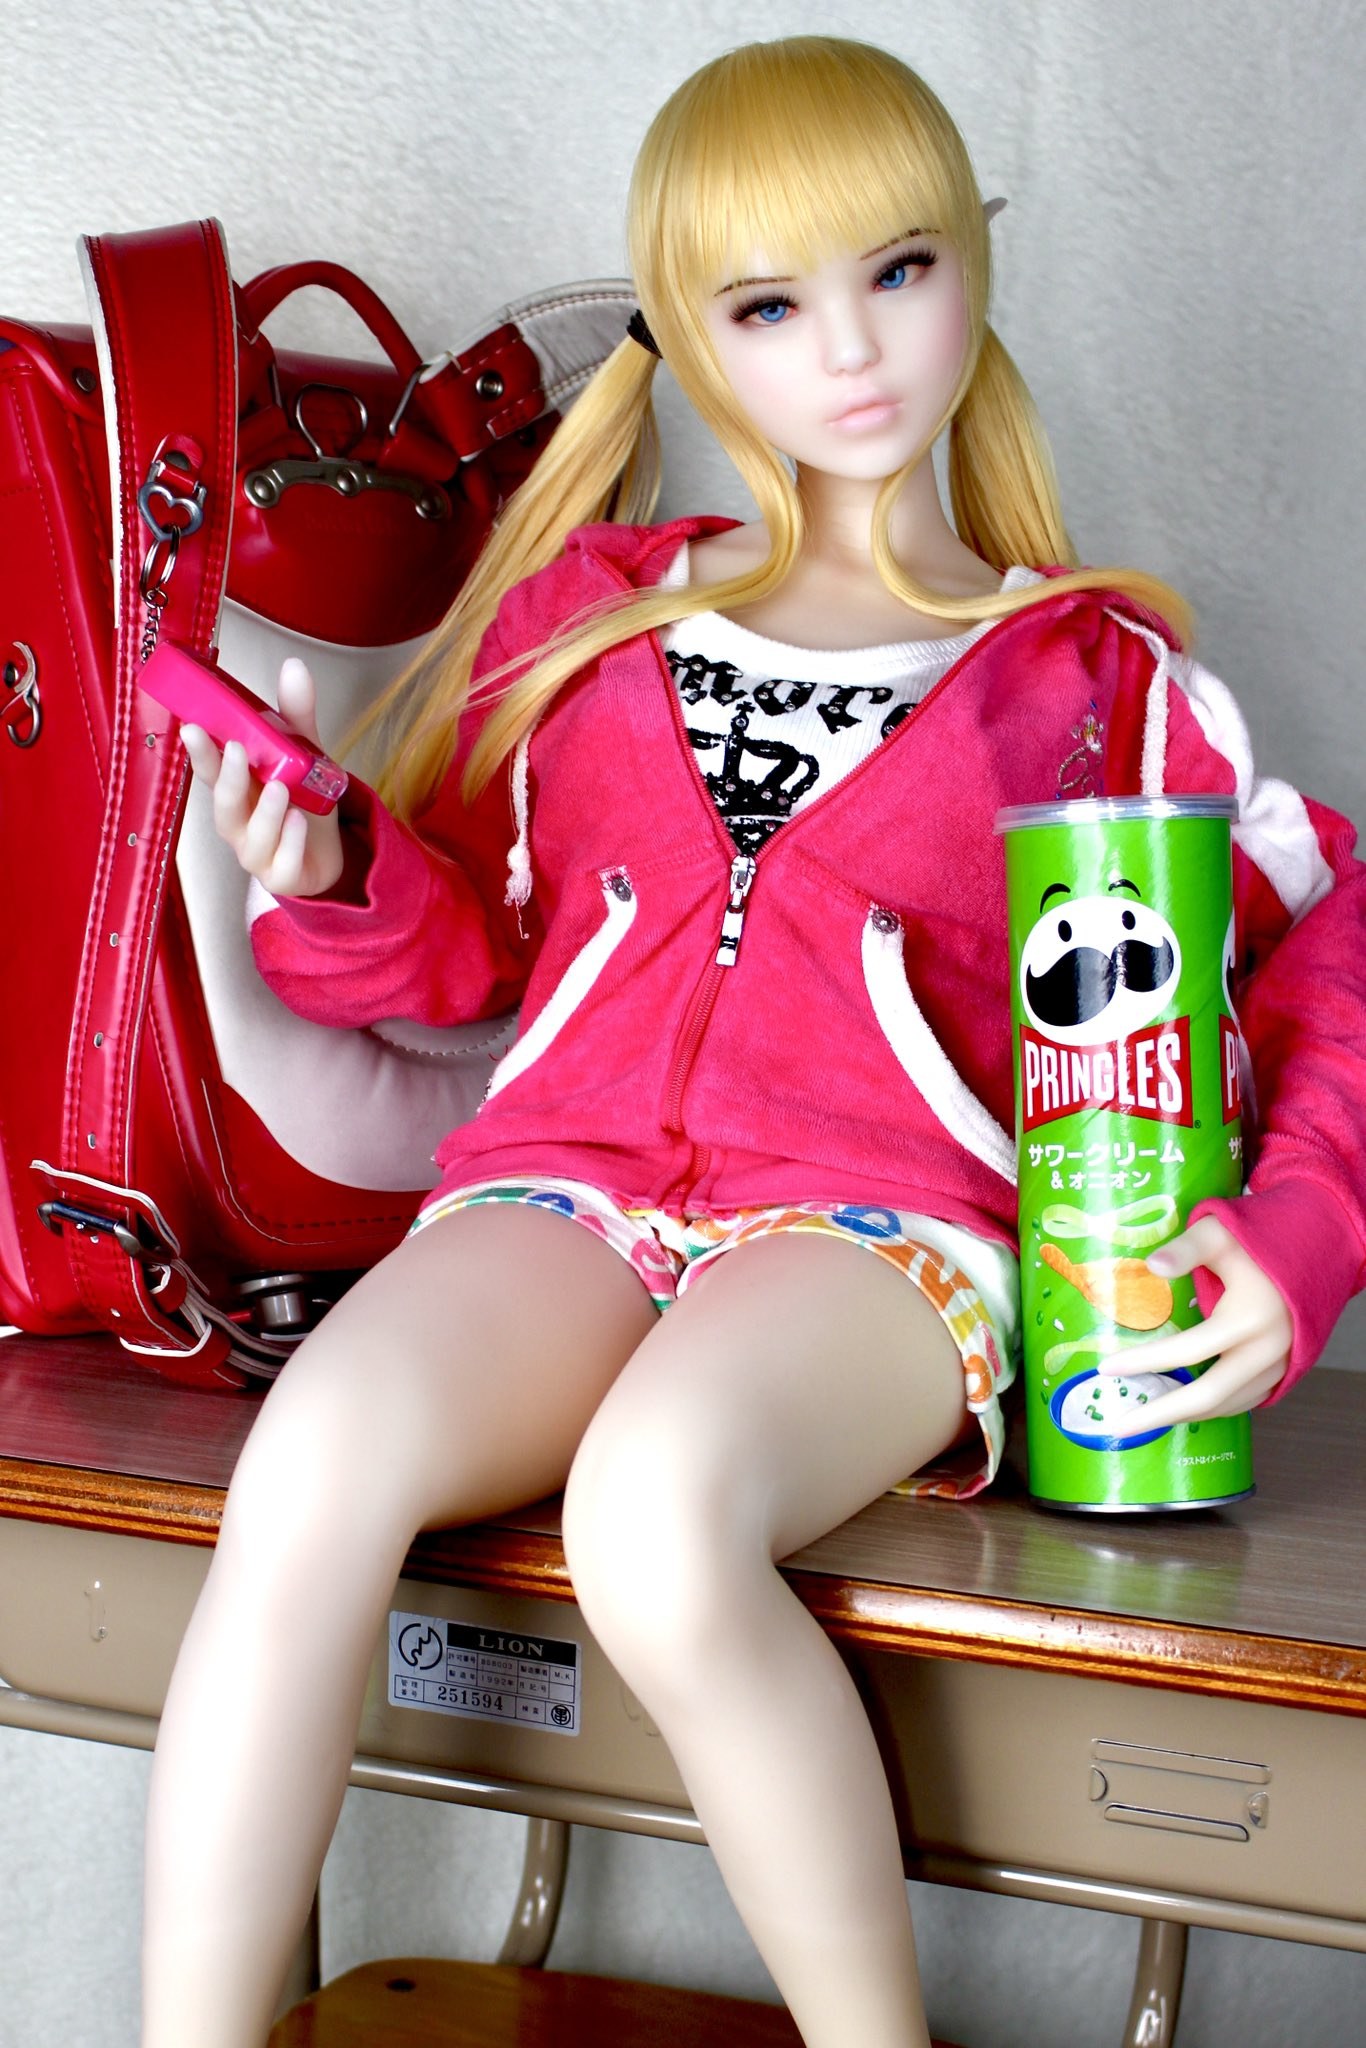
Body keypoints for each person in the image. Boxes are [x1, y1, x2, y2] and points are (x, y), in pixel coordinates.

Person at [141, 35, 1366, 2048]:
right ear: (691, 335)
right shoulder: (594, 621)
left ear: (971, 259)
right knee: (313, 1467)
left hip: (877, 1228)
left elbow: (1321, 951)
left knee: (655, 1515)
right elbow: (476, 950)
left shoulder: (1090, 676)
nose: (853, 349)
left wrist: (1297, 1230)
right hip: (562, 1190)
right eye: (769, 305)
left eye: (899, 269)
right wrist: (329, 872)